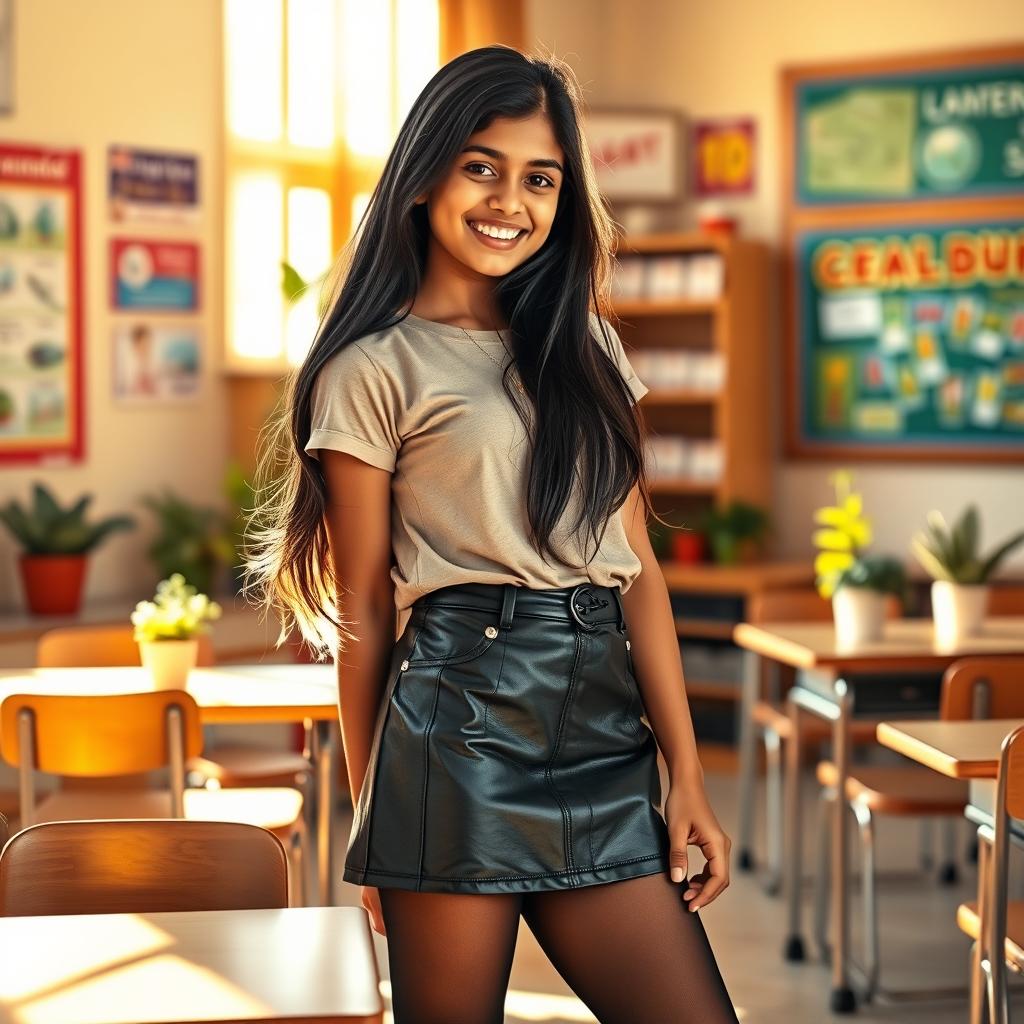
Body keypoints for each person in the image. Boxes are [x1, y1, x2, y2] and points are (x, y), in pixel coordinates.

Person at [246, 43, 739, 1024]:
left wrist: (685, 771)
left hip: (603, 740)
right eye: (483, 165)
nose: (509, 199)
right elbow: (364, 623)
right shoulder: (372, 369)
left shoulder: (587, 346)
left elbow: (635, 570)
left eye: (539, 178)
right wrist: (375, 826)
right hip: (456, 739)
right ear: (426, 173)